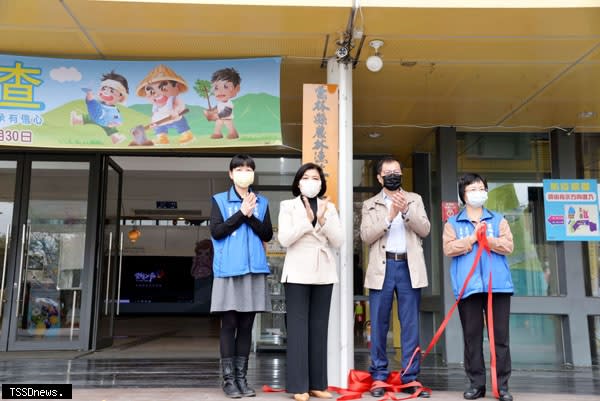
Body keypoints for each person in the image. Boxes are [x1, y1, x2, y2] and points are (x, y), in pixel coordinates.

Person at [360, 156, 431, 398]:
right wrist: (389, 216)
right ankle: (378, 376)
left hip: (409, 267)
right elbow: (366, 236)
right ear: (380, 177)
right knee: (379, 324)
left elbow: (425, 229)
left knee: (409, 324)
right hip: (383, 267)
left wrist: (406, 211)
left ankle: (410, 377)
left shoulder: (415, 199)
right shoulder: (370, 204)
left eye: (397, 171)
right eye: (388, 172)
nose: (393, 175)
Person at [442, 173, 514, 401]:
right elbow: (449, 249)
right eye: (472, 189)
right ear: (463, 194)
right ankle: (476, 384)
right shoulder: (453, 223)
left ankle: (501, 386)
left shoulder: (498, 219)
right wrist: (473, 239)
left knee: (500, 338)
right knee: (472, 337)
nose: (478, 192)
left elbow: (509, 246)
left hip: (498, 287)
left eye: (481, 188)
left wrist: (488, 240)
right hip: (468, 287)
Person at [277, 162, 343, 401]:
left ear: (321, 182)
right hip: (296, 271)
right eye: (306, 177)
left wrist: (323, 220)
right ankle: (298, 386)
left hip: (323, 271)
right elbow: (284, 239)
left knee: (318, 327)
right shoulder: (288, 206)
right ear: (298, 182)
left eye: (316, 177)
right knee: (297, 329)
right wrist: (307, 220)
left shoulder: (330, 207)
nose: (311, 181)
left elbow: (338, 241)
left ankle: (317, 384)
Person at [210, 154, 273, 398]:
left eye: (248, 169)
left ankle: (242, 379)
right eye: (239, 169)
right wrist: (240, 214)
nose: (244, 172)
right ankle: (228, 381)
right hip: (228, 271)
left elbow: (266, 234)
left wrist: (251, 214)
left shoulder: (263, 202)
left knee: (246, 325)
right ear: (231, 174)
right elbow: (216, 232)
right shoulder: (219, 200)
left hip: (254, 269)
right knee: (229, 324)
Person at [70, 70, 128, 145]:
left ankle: (77, 120)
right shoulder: (100, 104)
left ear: (120, 96)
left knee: (107, 126)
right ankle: (76, 120)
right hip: (98, 117)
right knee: (92, 114)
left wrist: (114, 123)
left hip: (104, 121)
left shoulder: (114, 110)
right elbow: (91, 103)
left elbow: (118, 120)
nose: (106, 92)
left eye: (111, 91)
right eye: (104, 88)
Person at [204, 68, 241, 139]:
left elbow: (227, 112)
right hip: (220, 117)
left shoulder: (229, 103)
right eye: (216, 88)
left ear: (235, 89)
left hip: (227, 118)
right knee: (218, 125)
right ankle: (217, 133)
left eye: (225, 87)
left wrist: (217, 116)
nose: (220, 91)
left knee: (229, 125)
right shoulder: (220, 102)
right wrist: (212, 111)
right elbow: (218, 107)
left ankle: (233, 133)